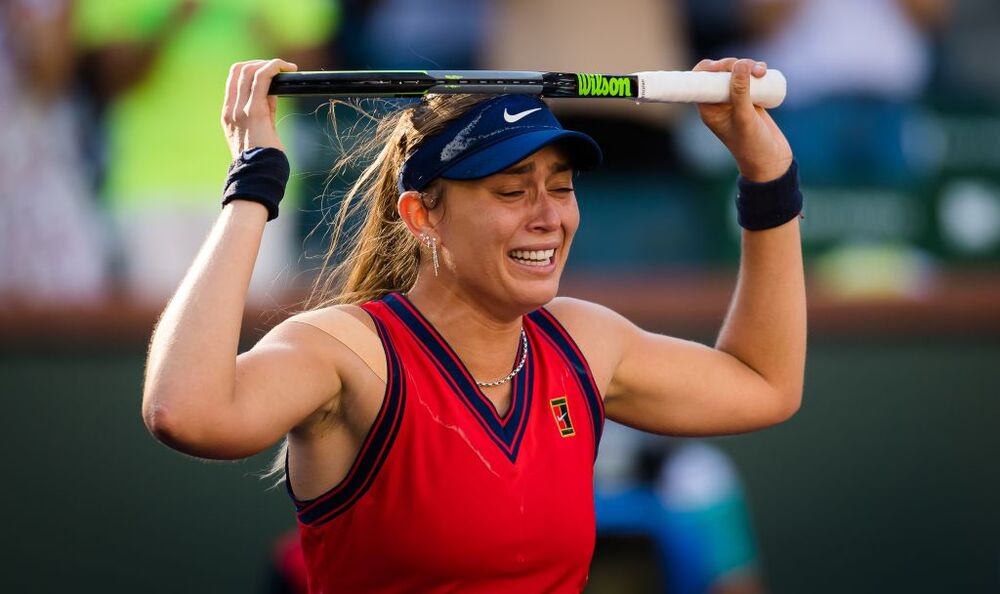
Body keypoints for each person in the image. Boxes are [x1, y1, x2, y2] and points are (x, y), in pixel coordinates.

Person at [142, 56, 805, 592]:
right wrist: (253, 183)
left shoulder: (581, 341)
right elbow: (185, 410)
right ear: (421, 216)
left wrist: (767, 173)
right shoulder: (347, 351)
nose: (548, 216)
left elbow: (764, 383)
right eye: (512, 190)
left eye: (562, 185)